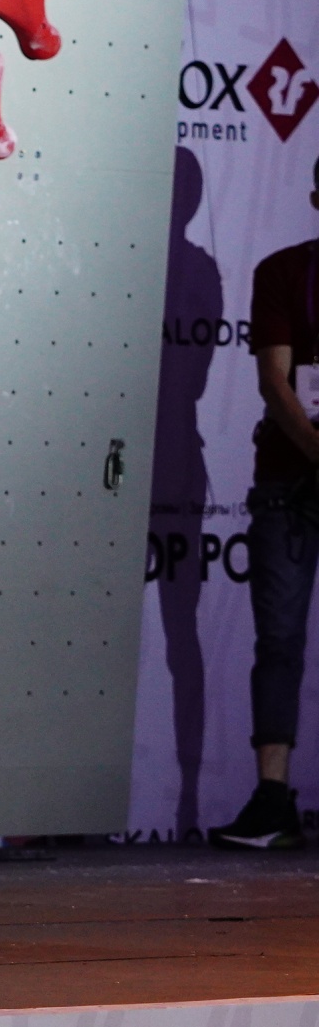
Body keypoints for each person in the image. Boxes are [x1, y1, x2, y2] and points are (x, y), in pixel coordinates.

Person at [210, 157, 319, 850]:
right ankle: (273, 798)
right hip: (289, 484)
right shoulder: (283, 271)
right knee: (278, 639)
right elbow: (274, 381)